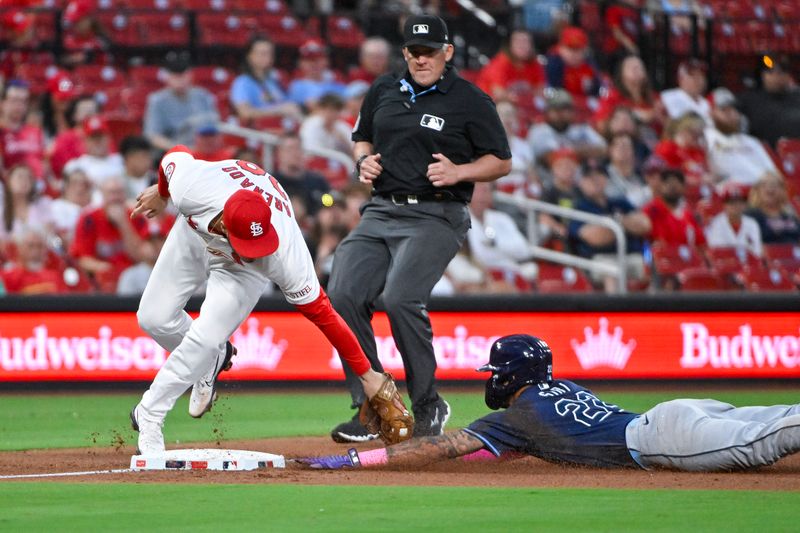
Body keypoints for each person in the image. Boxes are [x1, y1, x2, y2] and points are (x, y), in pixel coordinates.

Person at [128, 147, 411, 454]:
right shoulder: (191, 188)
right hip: (194, 237)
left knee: (204, 338)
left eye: (259, 241)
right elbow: (175, 155)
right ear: (224, 221)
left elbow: (325, 315)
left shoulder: (283, 252)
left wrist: (367, 374)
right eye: (250, 243)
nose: (256, 248)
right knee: (153, 318)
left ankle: (150, 415)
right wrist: (163, 191)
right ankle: (211, 360)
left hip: (238, 272)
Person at [326, 14, 512, 443]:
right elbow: (363, 137)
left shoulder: (469, 99)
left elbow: (501, 161)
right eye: (415, 51)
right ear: (405, 52)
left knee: (401, 298)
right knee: (342, 296)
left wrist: (460, 170)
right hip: (381, 210)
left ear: (448, 52)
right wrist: (363, 161)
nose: (422, 58)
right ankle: (374, 406)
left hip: (437, 214)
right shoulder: (384, 89)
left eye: (430, 51)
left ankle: (428, 404)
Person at [300, 334, 800, 472]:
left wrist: (355, 458)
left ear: (511, 375)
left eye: (496, 373)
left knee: (767, 441)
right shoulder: (556, 394)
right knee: (775, 419)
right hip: (676, 413)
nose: (492, 381)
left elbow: (444, 447)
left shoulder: (517, 417)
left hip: (663, 437)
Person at [569, 162, 651, 293]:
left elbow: (645, 225)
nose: (595, 180)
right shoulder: (580, 207)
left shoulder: (619, 202)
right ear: (581, 182)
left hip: (630, 255)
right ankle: (614, 312)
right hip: (599, 259)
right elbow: (597, 238)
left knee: (652, 268)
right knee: (612, 270)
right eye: (589, 177)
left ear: (606, 179)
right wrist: (624, 223)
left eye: (599, 175)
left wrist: (614, 223)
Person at [69, 176, 154, 292]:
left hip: (132, 276)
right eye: (111, 193)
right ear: (103, 195)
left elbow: (141, 257)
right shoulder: (89, 219)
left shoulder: (137, 217)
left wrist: (123, 224)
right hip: (101, 279)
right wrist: (104, 268)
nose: (115, 198)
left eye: (119, 193)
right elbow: (81, 260)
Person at [143, 52, 220, 152]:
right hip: (174, 154)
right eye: (175, 76)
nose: (179, 80)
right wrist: (183, 150)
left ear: (190, 74)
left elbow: (216, 127)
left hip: (204, 151)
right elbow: (153, 137)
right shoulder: (157, 100)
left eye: (183, 75)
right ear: (167, 76)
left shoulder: (203, 96)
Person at [467, 182, 537, 288]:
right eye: (477, 191)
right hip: (483, 276)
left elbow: (524, 250)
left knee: (531, 269)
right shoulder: (460, 221)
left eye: (485, 191)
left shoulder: (502, 219)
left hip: (511, 271)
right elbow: (480, 255)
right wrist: (504, 253)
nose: (481, 196)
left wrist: (496, 245)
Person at [704, 88, 779, 186]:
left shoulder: (751, 141)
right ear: (711, 113)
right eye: (723, 110)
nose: (731, 114)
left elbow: (772, 172)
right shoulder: (705, 138)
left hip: (761, 193)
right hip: (731, 194)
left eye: (732, 109)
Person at [229, 36, 303, 126]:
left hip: (285, 127)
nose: (267, 57)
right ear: (250, 56)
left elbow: (290, 105)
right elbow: (245, 113)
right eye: (262, 53)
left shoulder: (274, 80)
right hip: (260, 132)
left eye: (270, 53)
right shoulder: (242, 82)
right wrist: (278, 110)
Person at [527, 89, 607, 173]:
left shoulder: (582, 129)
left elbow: (603, 149)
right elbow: (549, 158)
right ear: (547, 112)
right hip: (548, 179)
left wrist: (572, 151)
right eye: (555, 109)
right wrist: (580, 151)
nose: (560, 114)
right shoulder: (538, 131)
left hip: (579, 179)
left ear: (572, 111)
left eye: (564, 109)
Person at [737, 54, 800, 147]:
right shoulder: (748, 100)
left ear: (788, 76)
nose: (776, 77)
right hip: (762, 156)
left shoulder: (797, 96)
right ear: (763, 75)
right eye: (771, 72)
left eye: (781, 72)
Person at [475, 29, 546, 102]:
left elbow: (540, 90)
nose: (523, 46)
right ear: (510, 45)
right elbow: (499, 93)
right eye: (518, 42)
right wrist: (524, 99)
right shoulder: (500, 64)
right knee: (506, 109)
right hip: (490, 105)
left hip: (521, 105)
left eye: (526, 42)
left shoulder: (534, 64)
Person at [643, 166, 706, 248]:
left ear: (684, 188)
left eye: (677, 183)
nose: (672, 186)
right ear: (661, 186)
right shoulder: (651, 210)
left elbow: (700, 243)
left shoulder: (689, 216)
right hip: (660, 257)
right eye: (667, 182)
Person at [271, 132, 331, 216]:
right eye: (290, 149)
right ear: (279, 153)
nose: (295, 153)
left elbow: (329, 206)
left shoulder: (317, 181)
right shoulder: (271, 183)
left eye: (298, 148)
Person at [0, 80, 46, 181]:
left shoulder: (36, 131)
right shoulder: (1, 133)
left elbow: (44, 165)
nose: (19, 106)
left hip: (37, 186)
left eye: (23, 101)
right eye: (14, 100)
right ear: (2, 103)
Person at [63, 116, 124, 192]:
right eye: (93, 138)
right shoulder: (76, 165)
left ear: (108, 138)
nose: (97, 142)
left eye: (100, 137)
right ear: (85, 141)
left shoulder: (121, 160)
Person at [1, 227, 66, 295]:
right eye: (31, 246)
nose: (36, 250)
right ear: (21, 248)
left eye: (39, 246)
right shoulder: (9, 277)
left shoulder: (55, 277)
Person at [705, 184, 763, 258]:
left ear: (745, 205)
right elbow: (717, 250)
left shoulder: (752, 223)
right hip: (724, 265)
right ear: (724, 204)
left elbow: (756, 252)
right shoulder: (716, 223)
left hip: (747, 265)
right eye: (731, 203)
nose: (736, 206)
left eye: (740, 202)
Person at [544, 26, 602, 99]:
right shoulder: (552, 63)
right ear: (561, 48)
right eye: (570, 49)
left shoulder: (589, 65)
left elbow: (596, 91)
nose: (574, 54)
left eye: (578, 50)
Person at [287, 39, 346, 109]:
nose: (313, 64)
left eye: (318, 59)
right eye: (309, 60)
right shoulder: (296, 87)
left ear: (326, 61)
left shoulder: (338, 84)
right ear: (300, 63)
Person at [746, 173, 800, 244]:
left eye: (775, 185)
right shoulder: (750, 216)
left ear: (782, 190)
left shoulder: (791, 216)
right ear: (757, 190)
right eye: (764, 185)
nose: (770, 188)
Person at [299, 92, 353, 156]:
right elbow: (310, 151)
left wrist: (344, 142)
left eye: (336, 110)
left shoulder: (342, 126)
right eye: (330, 109)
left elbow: (356, 151)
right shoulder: (310, 125)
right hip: (316, 162)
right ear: (321, 109)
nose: (333, 114)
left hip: (338, 163)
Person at [659, 59, 710, 125]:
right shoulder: (668, 97)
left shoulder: (706, 104)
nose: (698, 79)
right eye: (693, 75)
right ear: (681, 79)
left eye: (701, 75)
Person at [605, 133, 650, 208]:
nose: (623, 150)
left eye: (626, 147)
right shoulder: (604, 174)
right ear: (610, 151)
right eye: (619, 147)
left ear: (633, 151)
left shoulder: (641, 176)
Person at [119, 135, 155, 202]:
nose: (147, 161)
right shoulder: (116, 184)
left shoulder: (157, 180)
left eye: (148, 156)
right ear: (127, 158)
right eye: (142, 156)